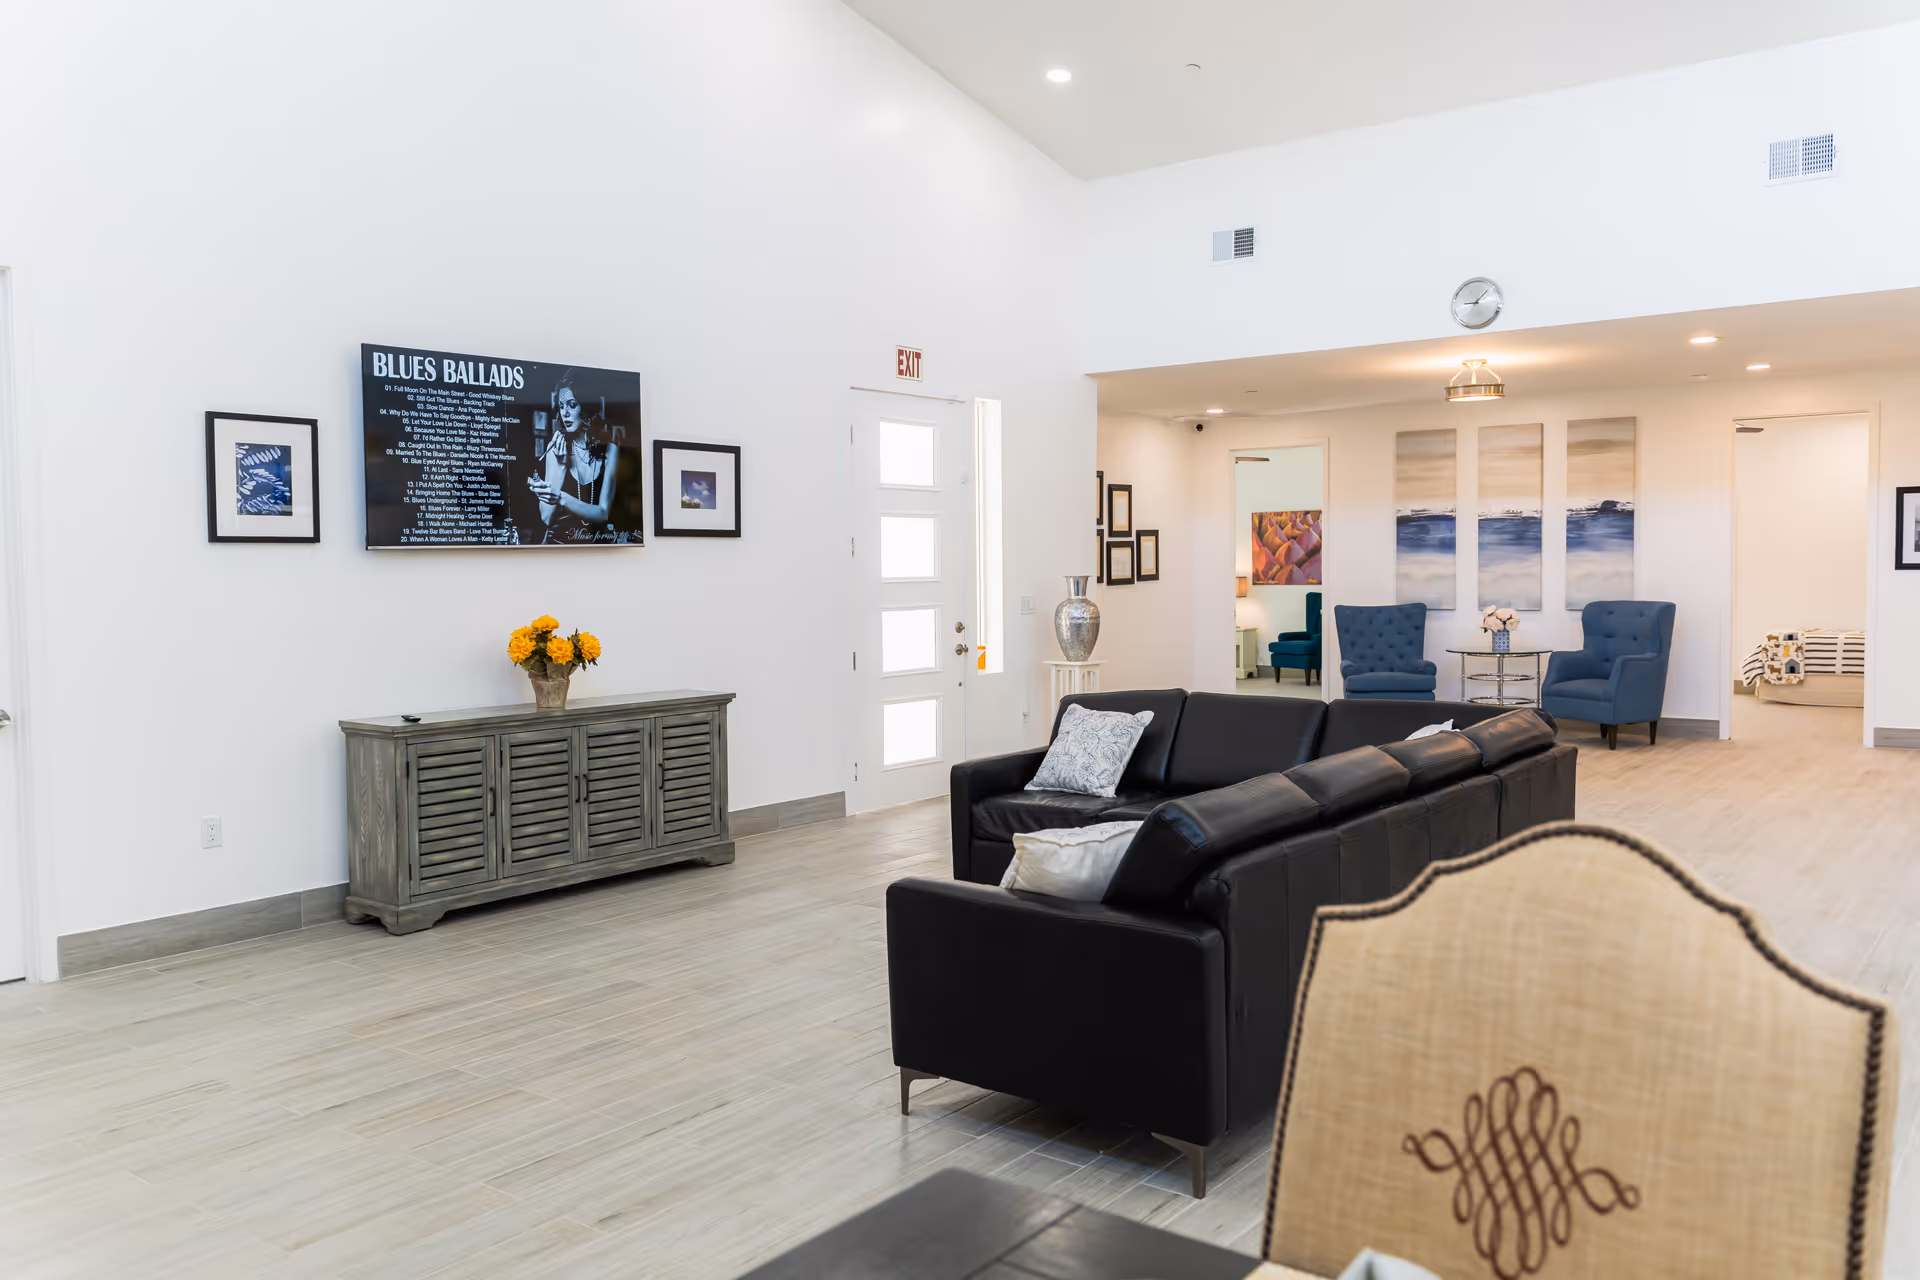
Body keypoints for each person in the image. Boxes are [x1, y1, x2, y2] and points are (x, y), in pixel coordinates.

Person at [526, 370, 621, 543]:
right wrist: (561, 467)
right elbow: (546, 517)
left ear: (586, 407)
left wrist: (561, 497)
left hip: (597, 547)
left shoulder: (610, 450)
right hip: (559, 547)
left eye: (572, 404)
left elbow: (603, 513)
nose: (565, 413)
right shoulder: (555, 448)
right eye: (561, 406)